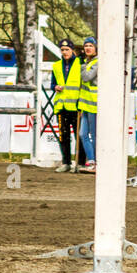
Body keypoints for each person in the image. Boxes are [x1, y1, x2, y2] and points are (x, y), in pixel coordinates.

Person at [50, 38, 82, 172]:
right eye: (62, 50)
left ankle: (80, 163)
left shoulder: (80, 64)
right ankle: (66, 162)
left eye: (67, 50)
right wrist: (55, 87)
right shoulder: (56, 65)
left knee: (79, 136)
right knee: (64, 136)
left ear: (72, 50)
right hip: (61, 106)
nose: (64, 52)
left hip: (76, 106)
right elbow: (52, 84)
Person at [78, 37, 98, 173]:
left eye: (90, 45)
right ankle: (91, 160)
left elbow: (87, 77)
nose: (87, 48)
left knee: (94, 134)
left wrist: (83, 67)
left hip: (94, 104)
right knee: (82, 134)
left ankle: (97, 161)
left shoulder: (97, 62)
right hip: (85, 104)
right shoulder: (87, 62)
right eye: (86, 46)